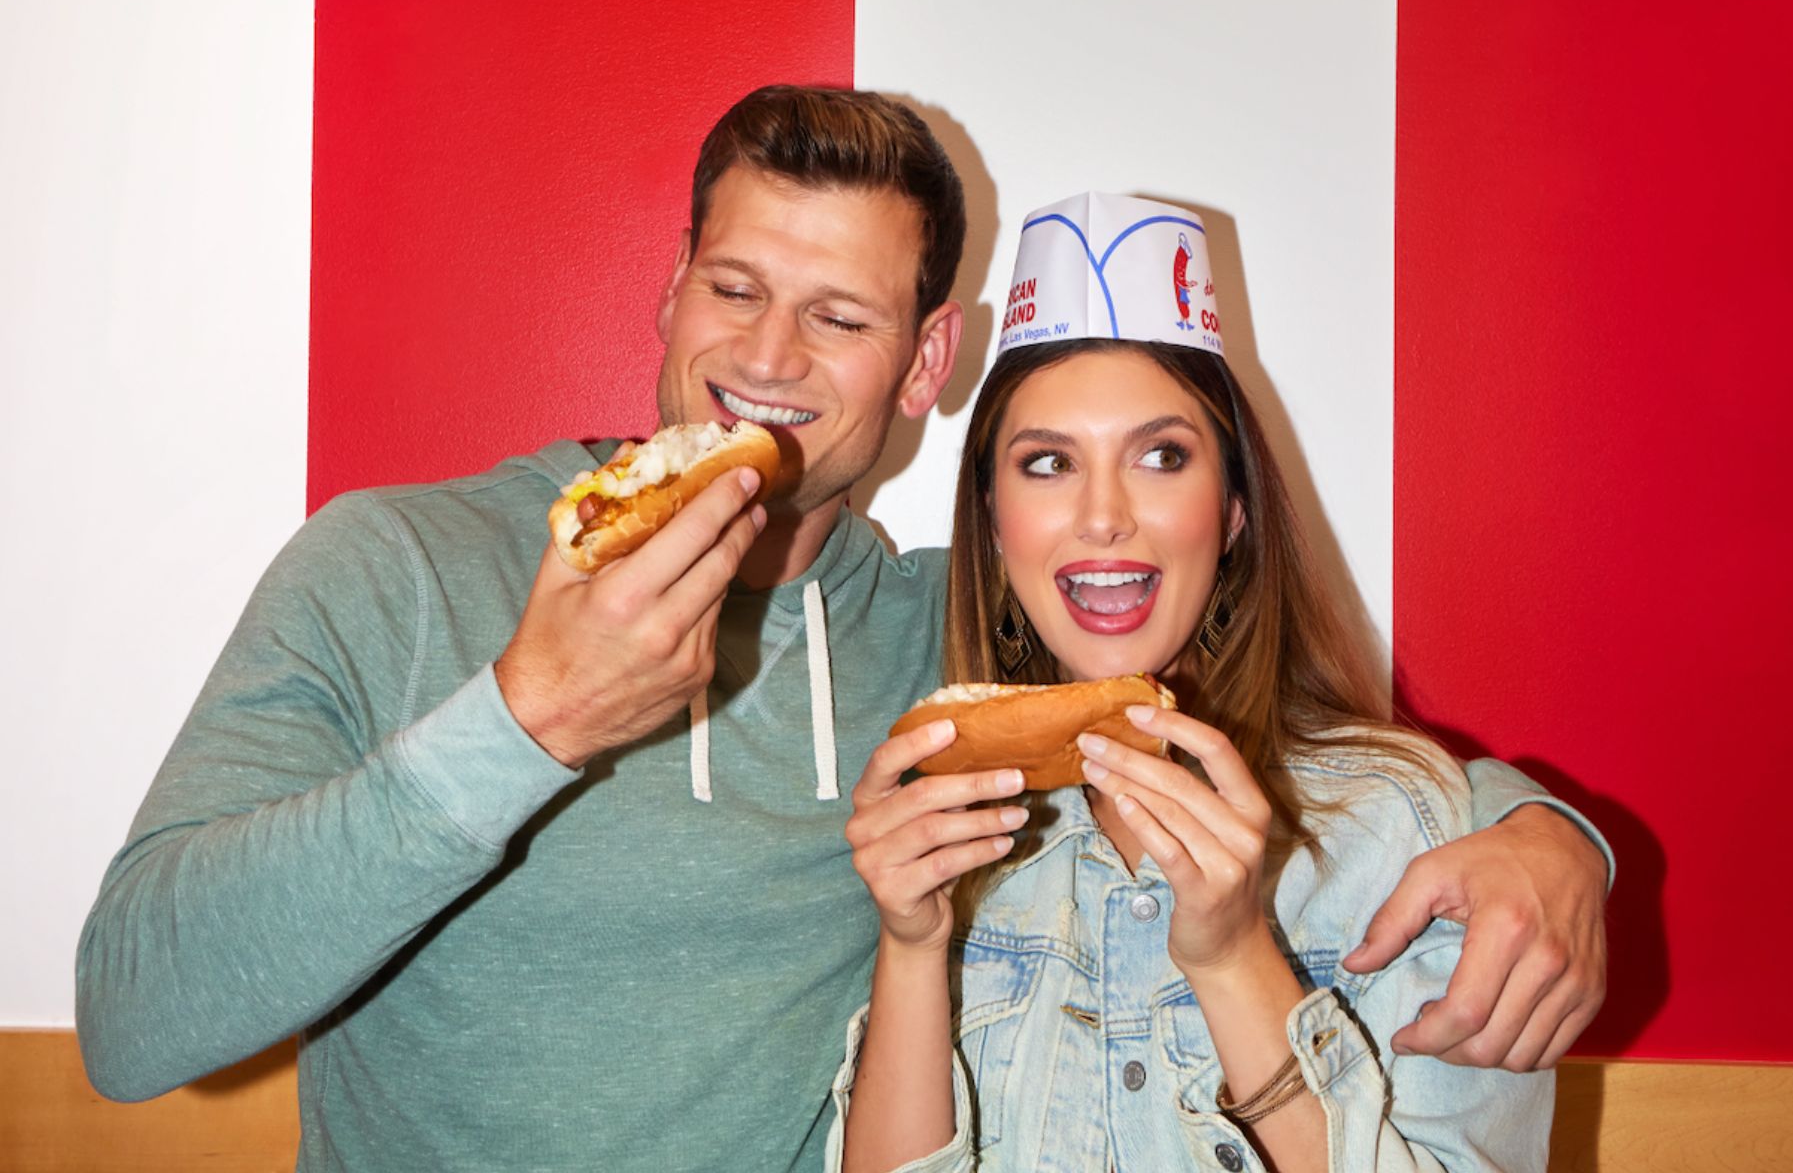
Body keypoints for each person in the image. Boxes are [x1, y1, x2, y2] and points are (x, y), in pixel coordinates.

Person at [75, 91, 1604, 1172]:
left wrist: (1541, 836)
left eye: (841, 316)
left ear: (927, 358)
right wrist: (523, 721)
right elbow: (135, 1025)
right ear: (670, 295)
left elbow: (1207, 687)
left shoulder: (935, 650)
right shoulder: (396, 565)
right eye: (732, 288)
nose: (766, 356)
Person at [834, 193, 1557, 1171]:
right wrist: (914, 945)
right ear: (994, 525)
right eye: (1045, 463)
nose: (1101, 516)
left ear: (1230, 515)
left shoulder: (1402, 834)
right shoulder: (953, 828)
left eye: (1160, 457)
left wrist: (1230, 958)